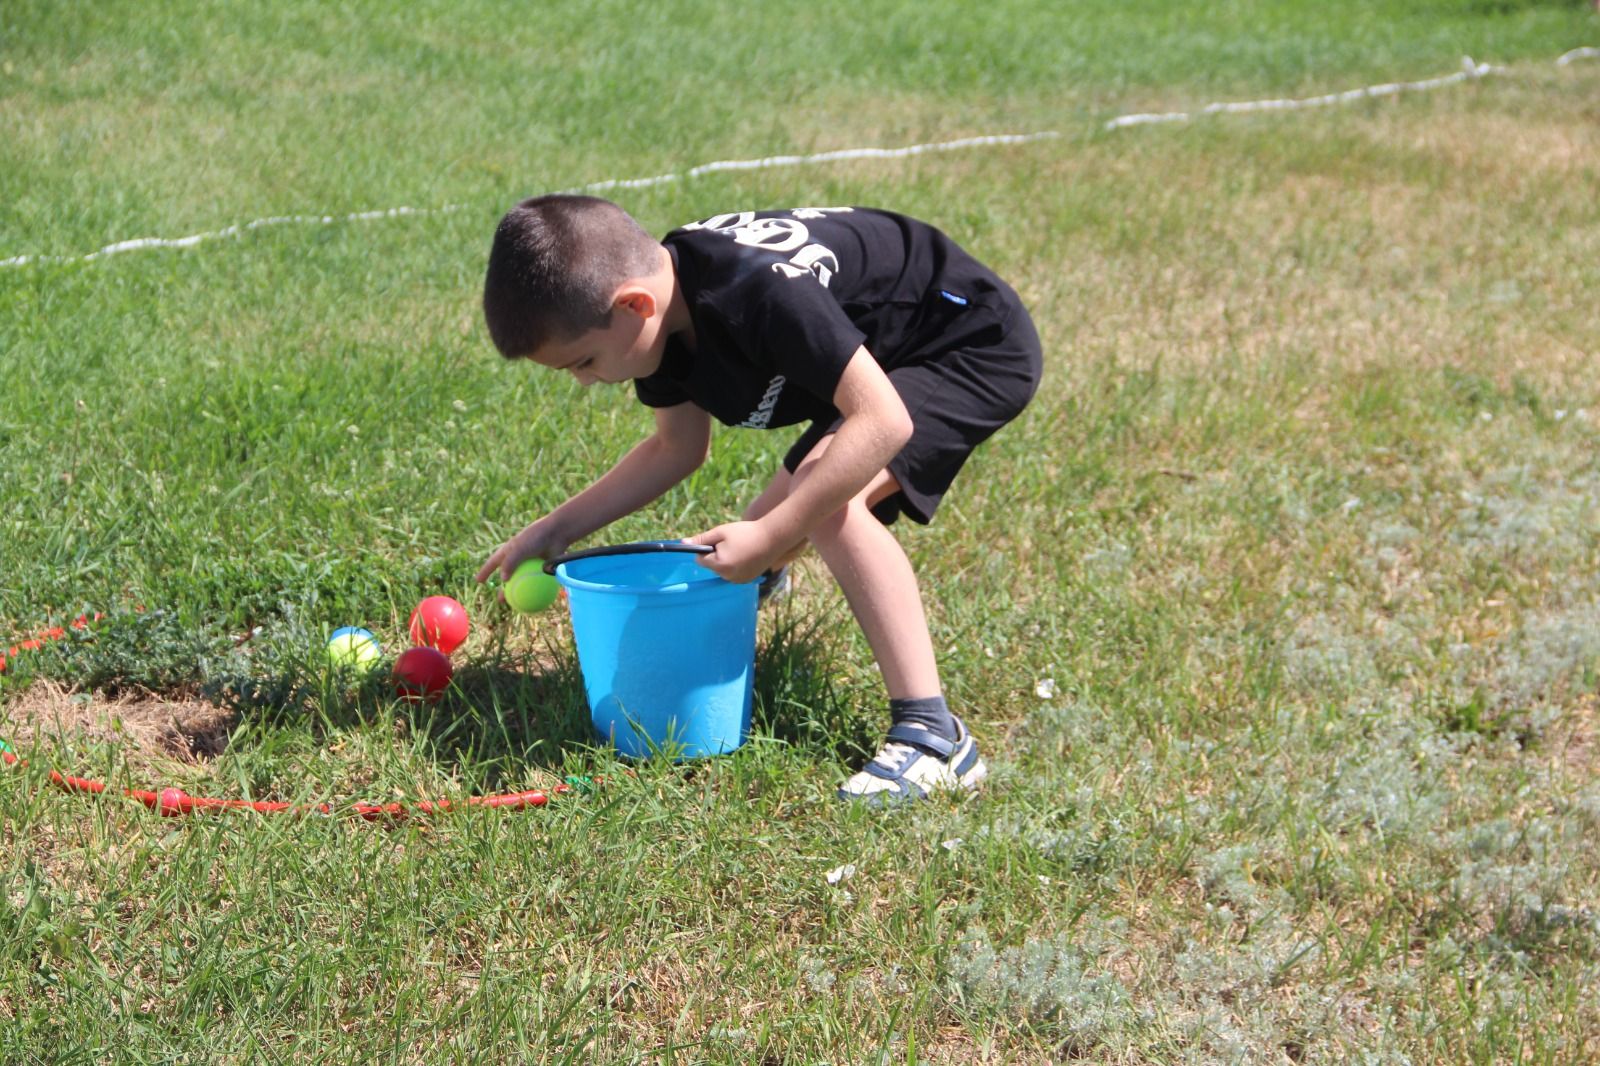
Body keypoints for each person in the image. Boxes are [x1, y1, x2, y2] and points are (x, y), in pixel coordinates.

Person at [476, 196, 1041, 803]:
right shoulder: (660, 309)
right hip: (879, 352)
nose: (585, 381)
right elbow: (676, 449)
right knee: (791, 508)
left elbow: (883, 422)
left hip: (964, 341)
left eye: (583, 362)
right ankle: (761, 575)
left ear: (634, 306)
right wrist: (555, 530)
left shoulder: (757, 296)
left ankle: (935, 737)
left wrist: (773, 536)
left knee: (824, 502)